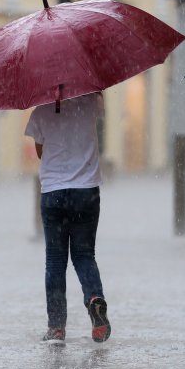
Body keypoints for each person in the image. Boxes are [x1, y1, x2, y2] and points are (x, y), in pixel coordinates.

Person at [25, 92, 110, 345]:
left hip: (53, 192)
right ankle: (94, 298)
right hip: (86, 191)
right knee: (84, 256)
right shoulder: (92, 102)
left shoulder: (40, 110)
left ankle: (57, 327)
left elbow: (41, 152)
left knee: (55, 260)